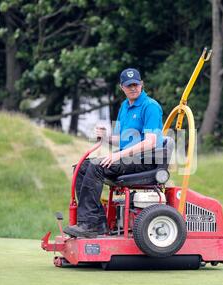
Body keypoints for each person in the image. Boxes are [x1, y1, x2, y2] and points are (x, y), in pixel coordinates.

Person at [64, 68, 164, 238]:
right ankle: (96, 222)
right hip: (128, 157)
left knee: (96, 168)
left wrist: (118, 155)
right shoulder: (124, 106)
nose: (133, 88)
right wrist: (106, 138)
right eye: (128, 85)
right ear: (122, 87)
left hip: (146, 160)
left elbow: (150, 142)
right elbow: (122, 139)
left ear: (142, 84)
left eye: (135, 84)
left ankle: (90, 225)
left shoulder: (151, 106)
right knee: (81, 167)